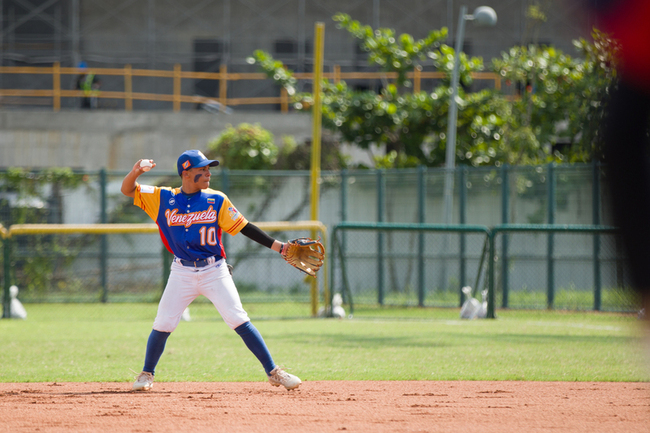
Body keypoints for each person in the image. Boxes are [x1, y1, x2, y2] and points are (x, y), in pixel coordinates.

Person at [120, 149, 301, 391]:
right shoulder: (163, 198)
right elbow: (128, 190)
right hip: (181, 271)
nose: (208, 173)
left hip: (214, 270)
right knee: (163, 323)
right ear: (185, 173)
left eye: (209, 169)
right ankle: (146, 374)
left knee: (239, 319)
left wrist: (279, 247)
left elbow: (245, 227)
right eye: (202, 169)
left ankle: (274, 372)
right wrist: (135, 172)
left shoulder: (216, 199)